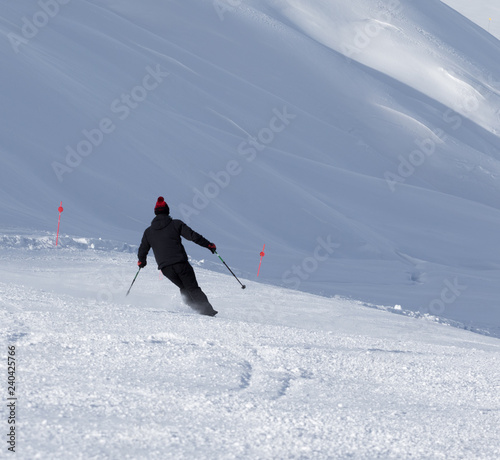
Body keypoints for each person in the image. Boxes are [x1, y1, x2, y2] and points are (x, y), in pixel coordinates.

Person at [137, 196, 218, 317]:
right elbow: (193, 236)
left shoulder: (148, 232)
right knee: (192, 287)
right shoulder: (176, 224)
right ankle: (208, 313)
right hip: (181, 264)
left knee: (183, 287)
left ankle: (194, 309)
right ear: (167, 211)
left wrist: (141, 261)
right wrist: (209, 245)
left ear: (155, 213)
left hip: (166, 269)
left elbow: (143, 249)